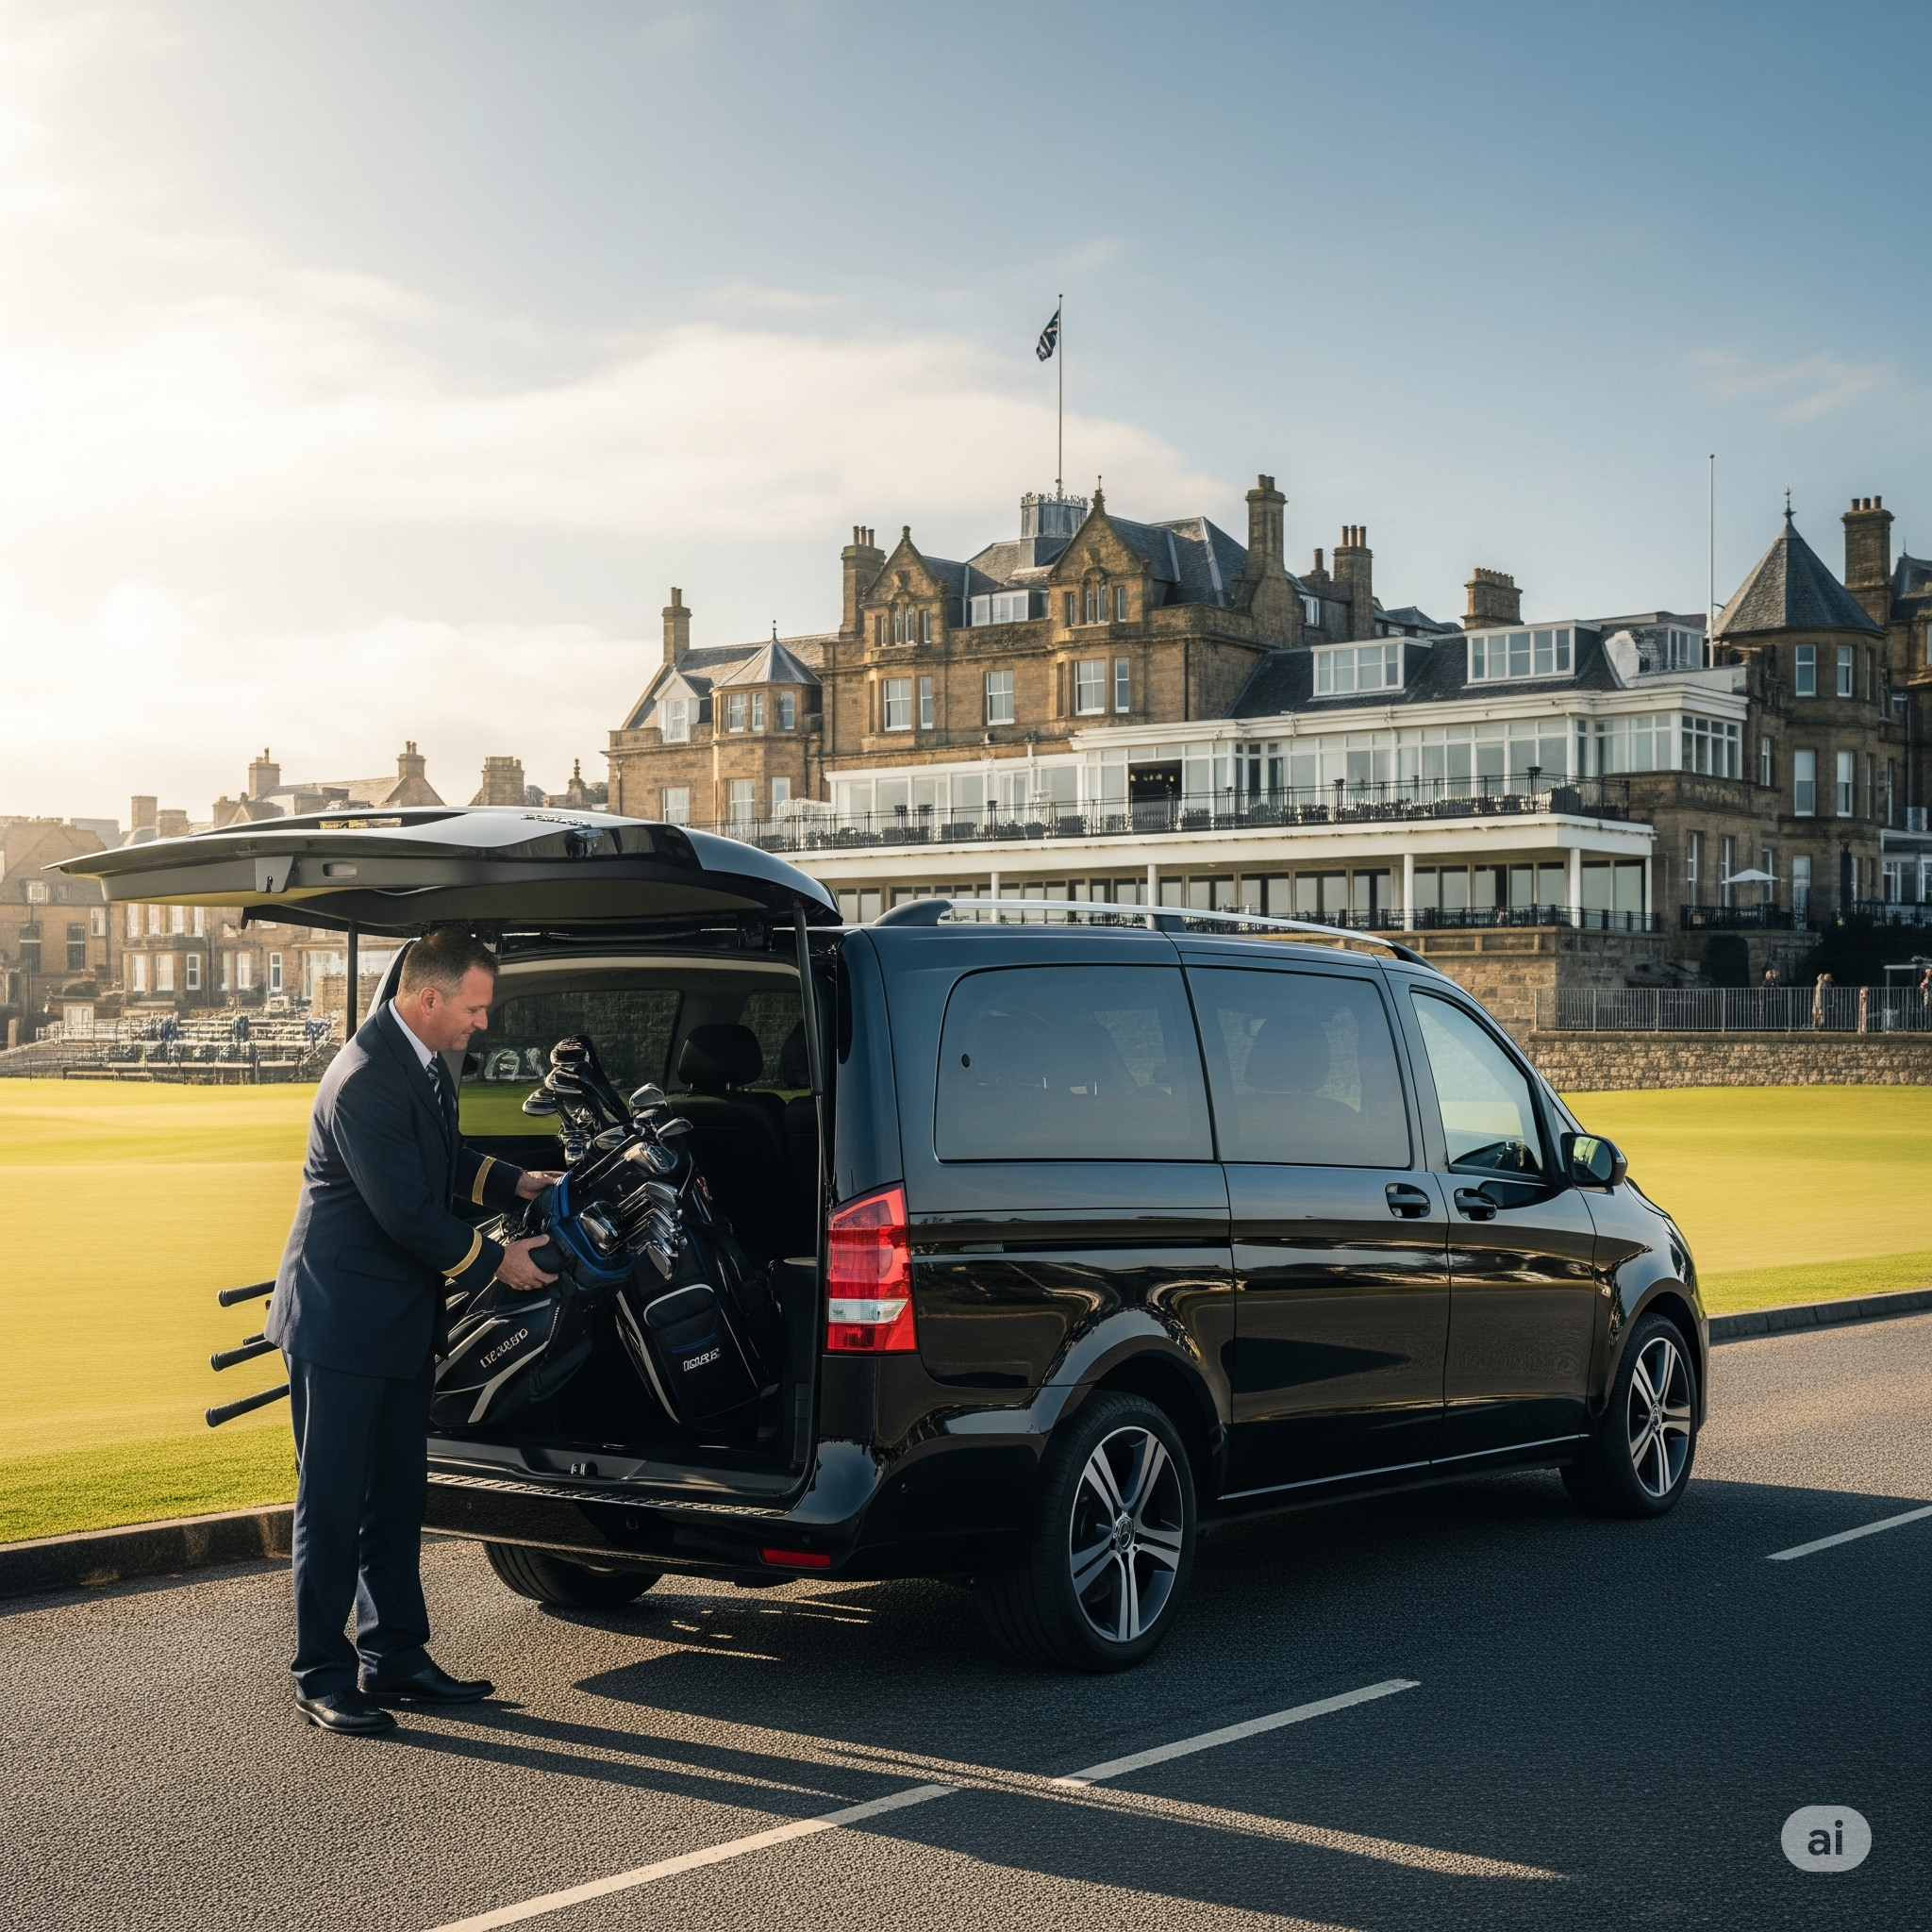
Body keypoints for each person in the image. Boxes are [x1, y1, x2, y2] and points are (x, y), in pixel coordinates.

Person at [267, 927, 561, 1736]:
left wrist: (520, 1179)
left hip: (395, 1319)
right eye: (474, 1008)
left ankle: (393, 1654)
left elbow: (444, 1158)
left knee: (395, 1497)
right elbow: (405, 1209)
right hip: (341, 1323)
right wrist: (499, 1262)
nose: (482, 1024)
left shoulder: (421, 1062)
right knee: (332, 1505)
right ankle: (322, 1673)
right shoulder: (364, 1077)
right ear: (428, 999)